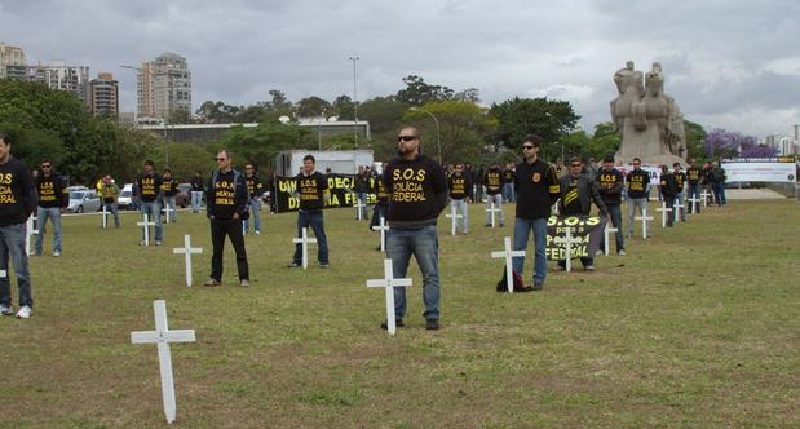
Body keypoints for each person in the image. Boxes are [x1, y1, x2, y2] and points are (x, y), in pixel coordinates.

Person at [383, 126, 447, 331]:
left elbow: (441, 191)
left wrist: (432, 212)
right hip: (396, 230)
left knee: (430, 274)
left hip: (424, 229)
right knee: (395, 276)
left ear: (417, 142)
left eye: (407, 139)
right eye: (400, 138)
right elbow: (387, 189)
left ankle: (432, 315)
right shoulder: (391, 166)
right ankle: (396, 315)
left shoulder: (430, 166)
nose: (402, 142)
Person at [512, 135, 560, 290]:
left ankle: (538, 280)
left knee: (540, 250)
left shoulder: (546, 168)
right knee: (518, 249)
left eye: (529, 147)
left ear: (537, 149)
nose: (526, 150)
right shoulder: (519, 168)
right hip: (522, 215)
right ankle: (515, 279)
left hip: (540, 216)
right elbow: (517, 188)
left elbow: (555, 191)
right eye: (524, 147)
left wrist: (544, 204)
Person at [0, 133, 37, 318]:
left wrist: (24, 215)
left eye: (0, 146)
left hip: (14, 225)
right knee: (0, 268)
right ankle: (4, 303)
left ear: (7, 147)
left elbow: (31, 194)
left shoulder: (19, 168)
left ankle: (25, 304)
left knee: (19, 266)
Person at [204, 150, 250, 287]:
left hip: (233, 219)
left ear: (229, 161)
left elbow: (243, 197)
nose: (219, 162)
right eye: (217, 159)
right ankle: (215, 278)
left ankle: (244, 278)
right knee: (217, 250)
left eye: (222, 159)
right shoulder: (213, 177)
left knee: (239, 249)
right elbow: (209, 197)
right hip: (217, 219)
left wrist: (238, 213)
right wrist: (211, 213)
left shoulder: (238, 177)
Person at [556, 158, 608, 271]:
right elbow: (555, 195)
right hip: (566, 214)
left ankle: (587, 263)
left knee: (584, 239)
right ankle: (561, 263)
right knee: (564, 238)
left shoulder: (588, 180)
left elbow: (596, 196)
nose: (576, 168)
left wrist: (604, 210)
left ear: (581, 166)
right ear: (570, 167)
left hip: (582, 214)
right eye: (574, 165)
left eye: (578, 165)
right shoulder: (563, 180)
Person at [288, 154, 330, 268]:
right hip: (303, 212)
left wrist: (325, 200)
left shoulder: (320, 177)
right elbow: (297, 193)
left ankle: (324, 261)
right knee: (300, 237)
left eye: (309, 163)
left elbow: (326, 193)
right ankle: (297, 260)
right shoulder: (299, 178)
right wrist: (293, 193)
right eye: (305, 163)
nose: (307, 165)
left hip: (316, 212)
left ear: (313, 164)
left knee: (320, 236)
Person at [34, 159, 67, 256]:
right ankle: (38, 250)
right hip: (42, 207)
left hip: (55, 207)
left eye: (47, 166)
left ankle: (57, 250)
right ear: (41, 168)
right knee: (39, 230)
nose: (46, 168)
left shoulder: (57, 178)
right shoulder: (38, 179)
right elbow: (33, 192)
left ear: (51, 167)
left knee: (57, 230)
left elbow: (64, 192)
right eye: (44, 166)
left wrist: (64, 205)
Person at [596, 156, 625, 255]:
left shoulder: (618, 174)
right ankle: (601, 248)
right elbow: (597, 186)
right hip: (603, 204)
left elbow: (619, 187)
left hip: (615, 203)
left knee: (618, 226)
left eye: (610, 162)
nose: (608, 165)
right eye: (606, 163)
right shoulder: (599, 174)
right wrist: (608, 190)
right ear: (604, 164)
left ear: (613, 163)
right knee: (601, 227)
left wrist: (607, 191)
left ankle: (620, 248)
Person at [137, 159, 163, 246]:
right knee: (145, 222)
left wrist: (158, 199)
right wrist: (140, 198)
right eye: (146, 165)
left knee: (157, 221)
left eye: (149, 165)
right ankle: (145, 239)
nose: (147, 167)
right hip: (144, 202)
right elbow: (139, 188)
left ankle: (158, 239)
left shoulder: (157, 176)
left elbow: (162, 188)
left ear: (152, 167)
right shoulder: (141, 176)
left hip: (154, 202)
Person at [625, 158, 650, 238]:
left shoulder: (644, 173)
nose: (635, 165)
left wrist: (644, 193)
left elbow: (648, 184)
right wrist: (628, 193)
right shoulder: (630, 174)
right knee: (630, 215)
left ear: (640, 164)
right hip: (632, 198)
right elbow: (627, 184)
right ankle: (629, 232)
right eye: (634, 164)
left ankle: (647, 231)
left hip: (641, 197)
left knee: (644, 215)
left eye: (636, 164)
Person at [447, 162, 471, 234]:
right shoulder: (451, 177)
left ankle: (465, 229)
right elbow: (448, 186)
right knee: (454, 215)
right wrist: (449, 196)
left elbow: (468, 187)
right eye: (457, 168)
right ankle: (455, 228)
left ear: (461, 169)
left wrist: (467, 196)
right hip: (453, 199)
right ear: (454, 169)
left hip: (462, 198)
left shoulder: (465, 177)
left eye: (459, 168)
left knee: (465, 215)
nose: (458, 169)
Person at [370, 162, 391, 250]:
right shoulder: (378, 177)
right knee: (381, 224)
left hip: (391, 204)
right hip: (381, 204)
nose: (386, 168)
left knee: (392, 225)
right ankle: (382, 243)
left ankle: (390, 243)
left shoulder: (393, 177)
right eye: (384, 166)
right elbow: (375, 189)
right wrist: (377, 197)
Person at [243, 162, 264, 235]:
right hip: (245, 198)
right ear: (246, 170)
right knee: (245, 214)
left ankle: (257, 230)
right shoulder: (243, 178)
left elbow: (260, 187)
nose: (248, 170)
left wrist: (257, 195)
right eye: (247, 168)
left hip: (253, 197)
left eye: (250, 168)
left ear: (252, 169)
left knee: (256, 214)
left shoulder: (256, 178)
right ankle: (245, 230)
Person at [484, 162, 504, 226]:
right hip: (489, 192)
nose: (492, 166)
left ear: (496, 165)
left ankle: (501, 221)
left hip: (497, 192)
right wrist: (489, 187)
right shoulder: (487, 172)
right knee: (488, 207)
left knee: (499, 207)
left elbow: (503, 181)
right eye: (491, 165)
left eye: (494, 165)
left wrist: (498, 188)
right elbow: (485, 181)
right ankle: (488, 222)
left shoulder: (499, 172)